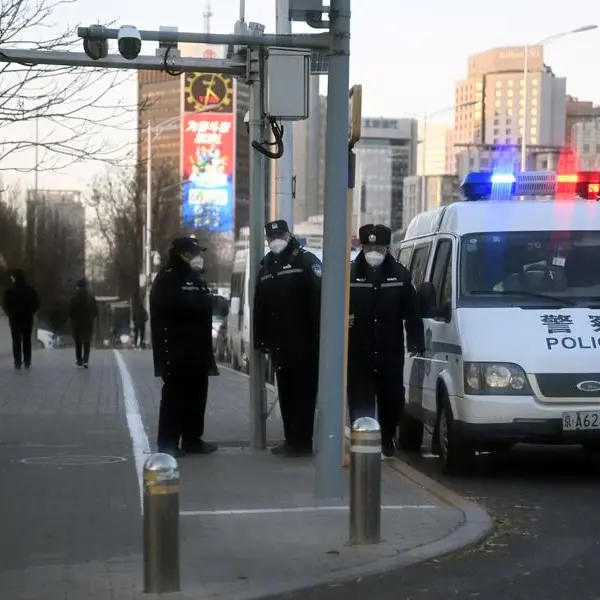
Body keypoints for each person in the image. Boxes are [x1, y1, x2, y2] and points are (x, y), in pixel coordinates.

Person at [348, 224, 425, 457]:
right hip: (358, 349)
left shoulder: (399, 274)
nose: (373, 252)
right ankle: (362, 440)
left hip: (389, 350)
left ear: (387, 248)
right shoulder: (350, 273)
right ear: (362, 247)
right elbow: (336, 305)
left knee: (391, 398)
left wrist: (415, 341)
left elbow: (412, 311)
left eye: (378, 247)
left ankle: (387, 438)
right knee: (360, 398)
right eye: (369, 247)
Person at [253, 219, 322, 457]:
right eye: (271, 238)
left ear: (289, 235)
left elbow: (319, 300)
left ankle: (303, 442)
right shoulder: (266, 266)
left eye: (279, 236)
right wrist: (260, 339)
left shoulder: (306, 262)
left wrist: (319, 336)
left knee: (304, 393)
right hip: (279, 344)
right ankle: (290, 439)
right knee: (285, 392)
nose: (275, 242)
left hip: (305, 343)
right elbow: (259, 306)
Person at [150, 236, 218, 458]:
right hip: (176, 349)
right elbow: (170, 308)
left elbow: (204, 305)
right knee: (175, 397)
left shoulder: (195, 278)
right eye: (196, 253)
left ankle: (192, 439)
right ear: (184, 254)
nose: (200, 258)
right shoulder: (168, 278)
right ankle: (168, 443)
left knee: (197, 396)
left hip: (198, 349)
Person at [2, 269, 39, 369]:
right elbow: (36, 304)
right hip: (27, 319)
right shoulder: (31, 290)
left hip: (15, 319)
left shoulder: (9, 291)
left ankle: (17, 361)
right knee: (27, 340)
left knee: (16, 341)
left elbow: (5, 304)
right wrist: (30, 312)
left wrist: (10, 314)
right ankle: (27, 361)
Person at [69, 278, 98, 368]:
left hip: (77, 323)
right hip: (87, 323)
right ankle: (86, 360)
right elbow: (95, 311)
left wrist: (73, 318)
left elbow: (70, 312)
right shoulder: (91, 299)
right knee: (86, 342)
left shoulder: (74, 299)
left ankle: (79, 360)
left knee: (78, 343)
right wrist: (91, 318)